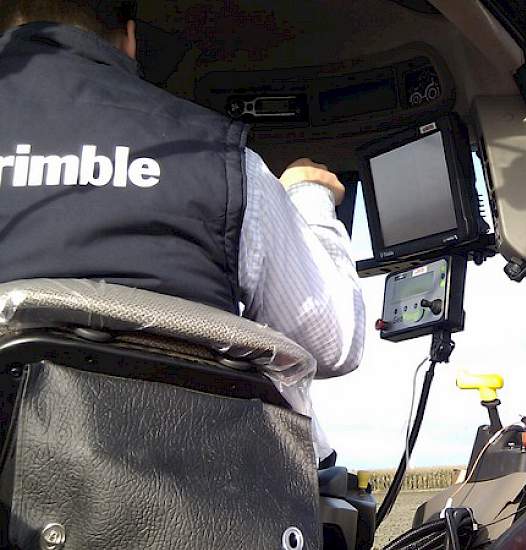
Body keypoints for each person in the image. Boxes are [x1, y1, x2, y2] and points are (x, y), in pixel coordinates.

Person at [0, 1, 365, 459]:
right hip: (189, 506)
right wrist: (308, 197)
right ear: (130, 40)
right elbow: (335, 343)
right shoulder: (227, 164)